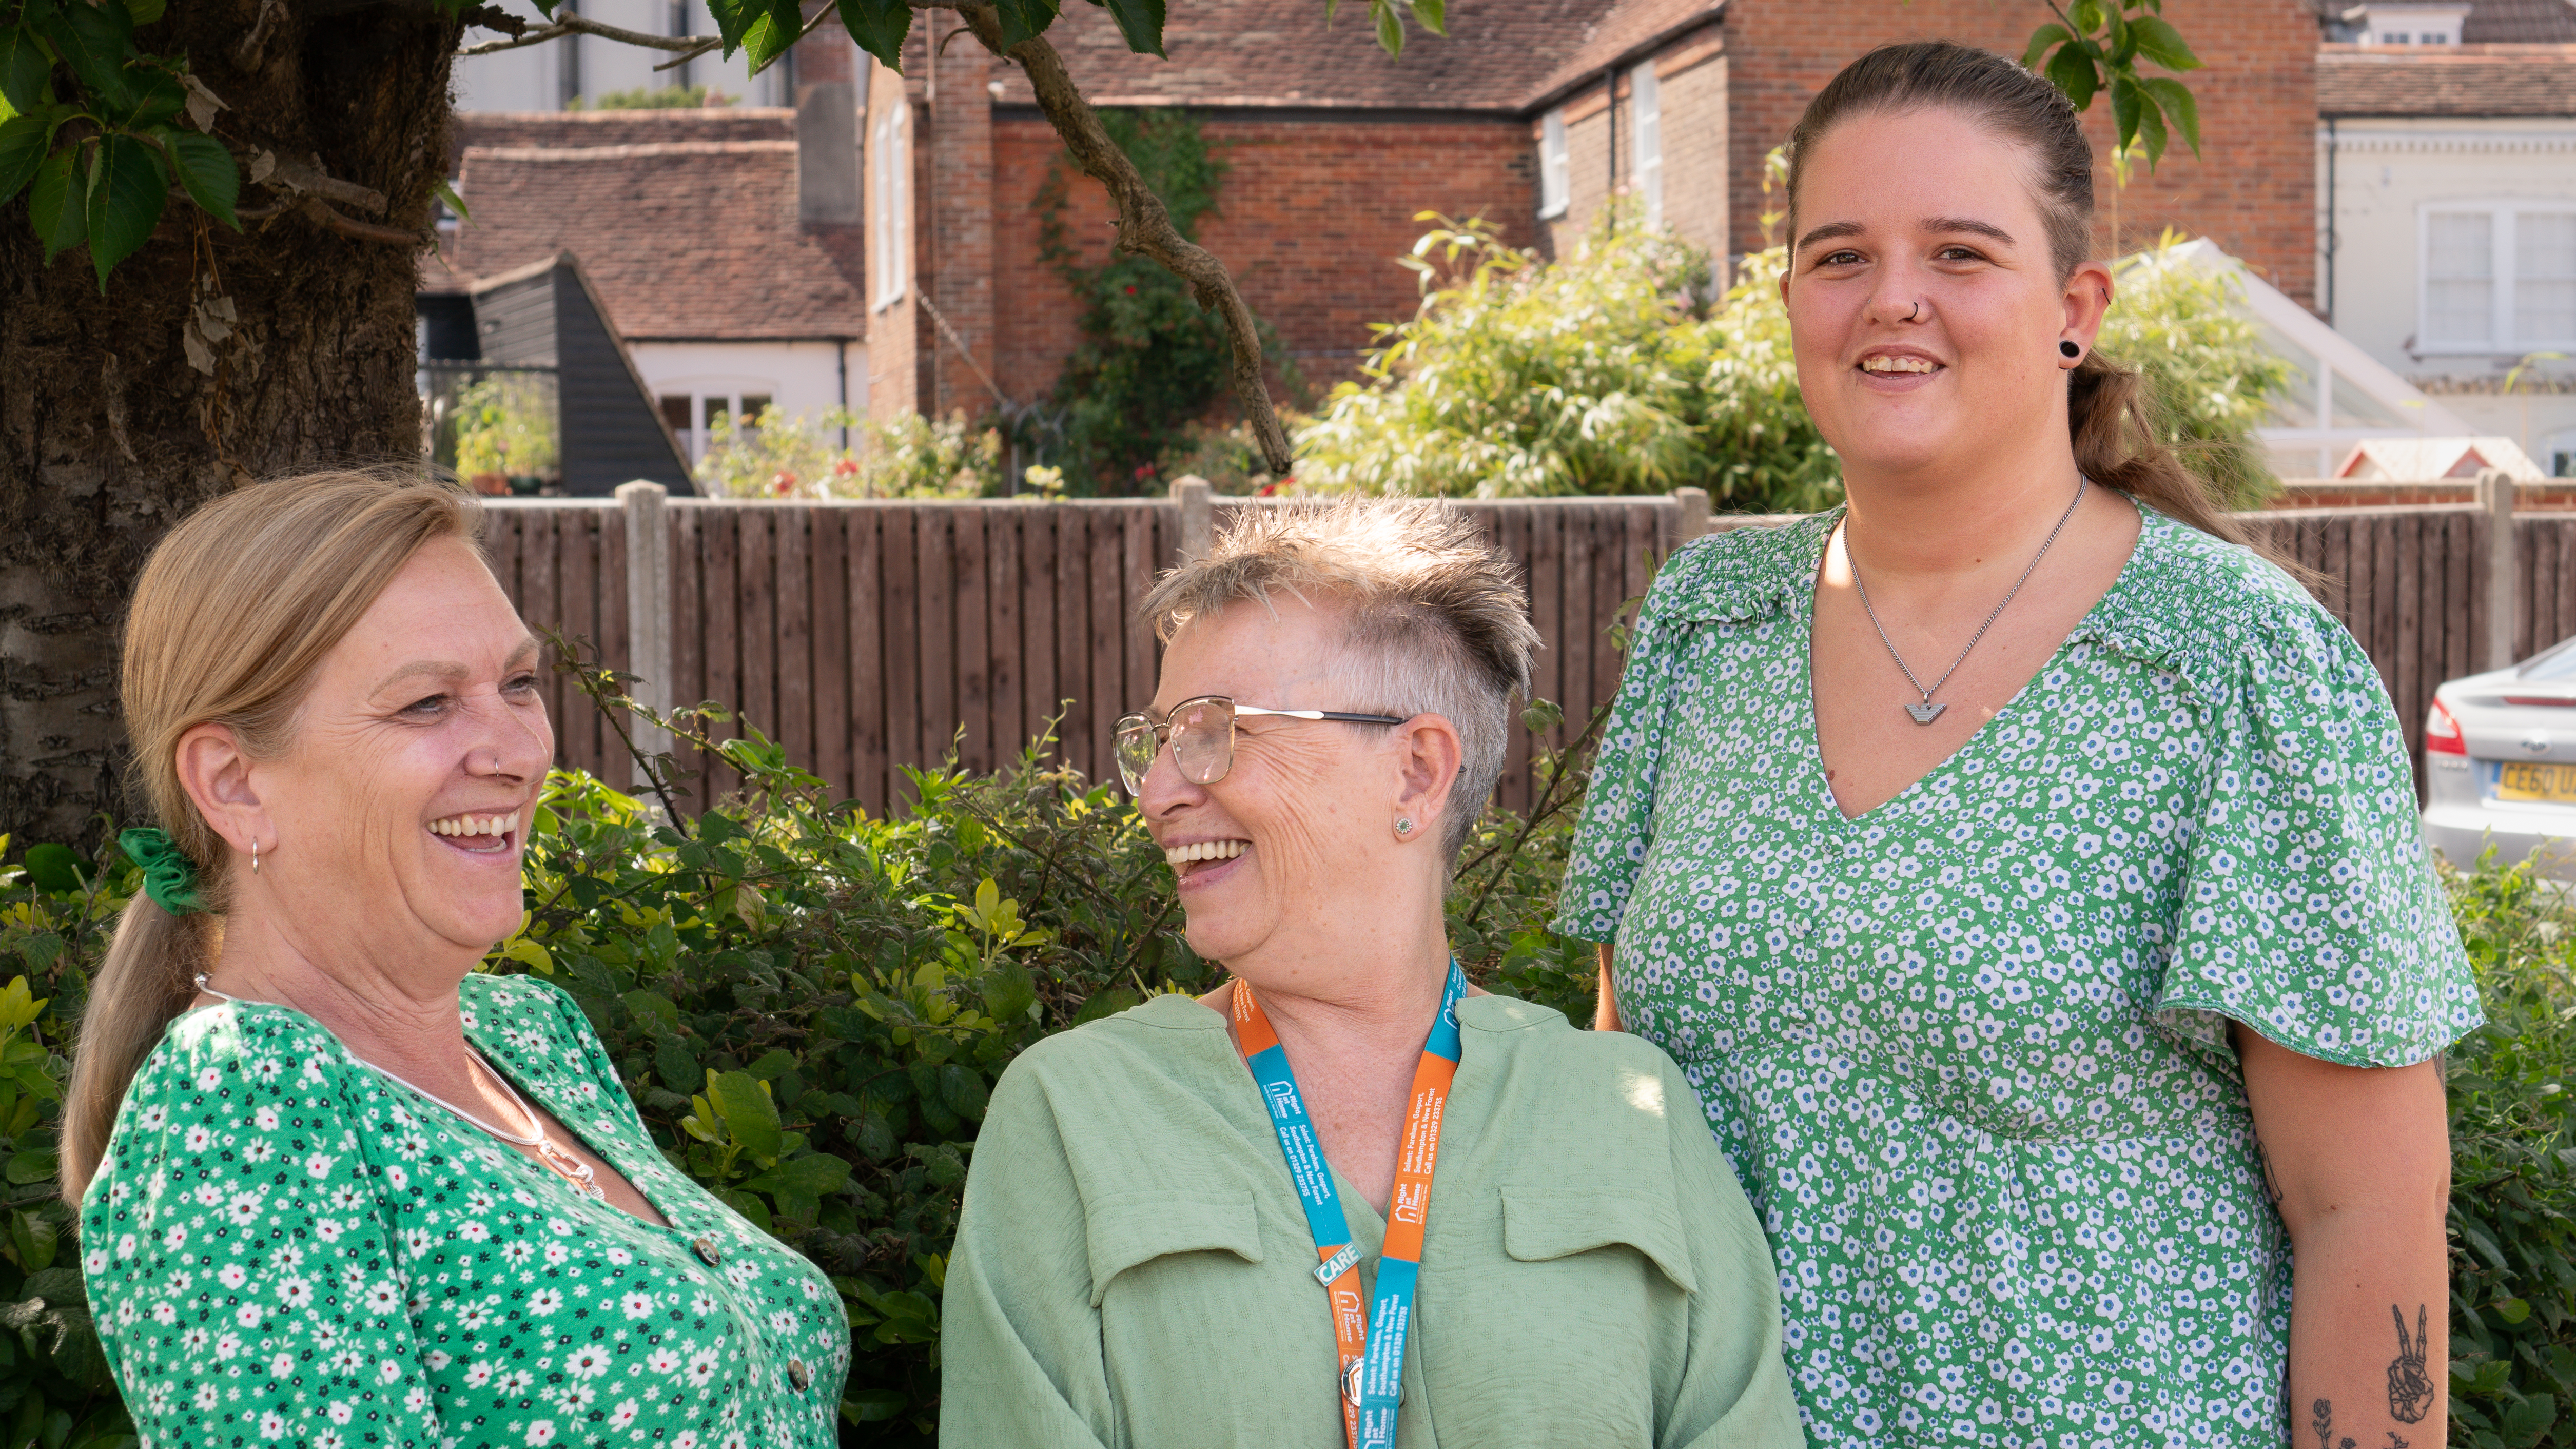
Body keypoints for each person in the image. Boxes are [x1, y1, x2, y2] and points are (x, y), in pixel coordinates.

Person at [1558, 41, 2480, 1448]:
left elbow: (2367, 1209)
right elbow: (1626, 1095)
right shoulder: (1706, 628)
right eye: (1838, 254)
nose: (1893, 300)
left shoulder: (2230, 666)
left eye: (1959, 252)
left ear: (2072, 309)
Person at [939, 501, 1803, 1449]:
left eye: (1216, 730)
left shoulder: (1631, 1112)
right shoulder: (1076, 1117)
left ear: (1417, 774)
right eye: (1158, 743)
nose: (1157, 792)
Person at [66, 472, 848, 1447]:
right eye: (429, 703)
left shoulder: (532, 1037)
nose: (518, 748)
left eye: (520, 683)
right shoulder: (240, 1099)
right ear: (235, 784)